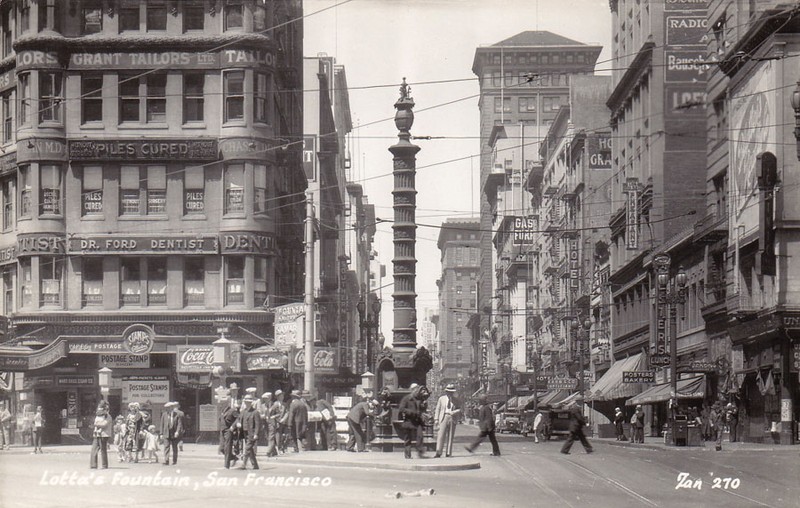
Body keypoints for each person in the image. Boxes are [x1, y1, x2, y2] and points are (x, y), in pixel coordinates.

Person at [399, 385, 429, 459]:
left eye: (417, 389)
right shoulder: (406, 398)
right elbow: (401, 409)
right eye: (415, 390)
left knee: (420, 436)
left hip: (417, 421)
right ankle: (408, 455)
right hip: (409, 421)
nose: (417, 391)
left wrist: (424, 405)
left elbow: (422, 409)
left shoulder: (419, 398)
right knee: (408, 439)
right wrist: (412, 412)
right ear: (411, 390)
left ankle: (420, 451)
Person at [434, 384, 460, 458]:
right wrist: (436, 419)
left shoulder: (456, 400)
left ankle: (448, 453)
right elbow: (437, 409)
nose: (450, 393)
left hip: (452, 417)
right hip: (443, 417)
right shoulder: (441, 399)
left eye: (451, 392)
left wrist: (454, 412)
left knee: (451, 436)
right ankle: (438, 452)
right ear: (446, 392)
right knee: (440, 435)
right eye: (448, 392)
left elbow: (459, 409)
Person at [238, 395, 260, 470]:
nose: (247, 403)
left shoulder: (255, 412)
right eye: (246, 402)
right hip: (244, 432)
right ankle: (255, 465)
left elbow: (257, 424)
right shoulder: (243, 411)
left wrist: (256, 434)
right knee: (250, 449)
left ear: (251, 403)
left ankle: (243, 464)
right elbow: (239, 419)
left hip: (251, 433)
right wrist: (238, 424)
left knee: (247, 448)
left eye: (249, 402)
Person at [160, 401, 185, 465]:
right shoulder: (164, 414)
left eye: (168, 407)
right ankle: (166, 460)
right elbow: (162, 424)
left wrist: (177, 432)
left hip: (174, 433)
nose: (166, 409)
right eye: (166, 408)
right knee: (166, 447)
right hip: (166, 433)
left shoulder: (177, 415)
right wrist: (161, 433)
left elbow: (179, 424)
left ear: (171, 408)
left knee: (174, 447)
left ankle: (174, 461)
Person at [90, 402, 113, 469]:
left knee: (103, 450)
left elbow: (104, 425)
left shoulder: (108, 416)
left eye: (102, 410)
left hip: (104, 435)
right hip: (97, 434)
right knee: (94, 449)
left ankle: (104, 465)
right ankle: (93, 465)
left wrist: (96, 424)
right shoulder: (98, 416)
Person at [220, 399, 241, 468]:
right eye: (221, 403)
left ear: (227, 403)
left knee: (227, 448)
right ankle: (233, 457)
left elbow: (238, 418)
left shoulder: (232, 411)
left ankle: (226, 465)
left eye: (223, 403)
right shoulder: (222, 411)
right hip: (222, 430)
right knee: (222, 448)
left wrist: (233, 426)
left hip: (229, 430)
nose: (221, 404)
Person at [265, 390, 285, 457]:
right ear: (277, 397)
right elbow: (270, 415)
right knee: (273, 436)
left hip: (282, 422)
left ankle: (275, 450)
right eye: (280, 395)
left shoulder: (284, 404)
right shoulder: (275, 404)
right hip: (274, 423)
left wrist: (283, 419)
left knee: (279, 437)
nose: (282, 397)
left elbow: (286, 412)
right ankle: (270, 450)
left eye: (282, 395)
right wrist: (276, 417)